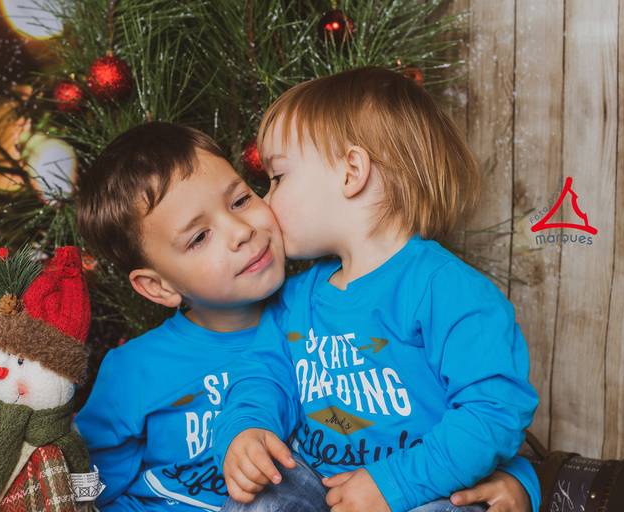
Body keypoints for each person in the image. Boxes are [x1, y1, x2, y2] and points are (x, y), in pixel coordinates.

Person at [0, 119, 536, 511]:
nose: (241, 232)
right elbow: (75, 475)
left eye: (240, 199)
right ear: (156, 287)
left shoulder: (333, 308)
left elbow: (462, 414)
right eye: (199, 236)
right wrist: (9, 413)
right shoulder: (134, 370)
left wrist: (521, 484)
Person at [214, 67, 541, 512]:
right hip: (318, 482)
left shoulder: (447, 291)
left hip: (424, 483)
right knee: (261, 498)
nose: (265, 203)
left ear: (352, 172)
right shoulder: (294, 299)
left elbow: (494, 410)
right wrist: (246, 430)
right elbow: (263, 376)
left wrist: (392, 484)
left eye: (278, 178)